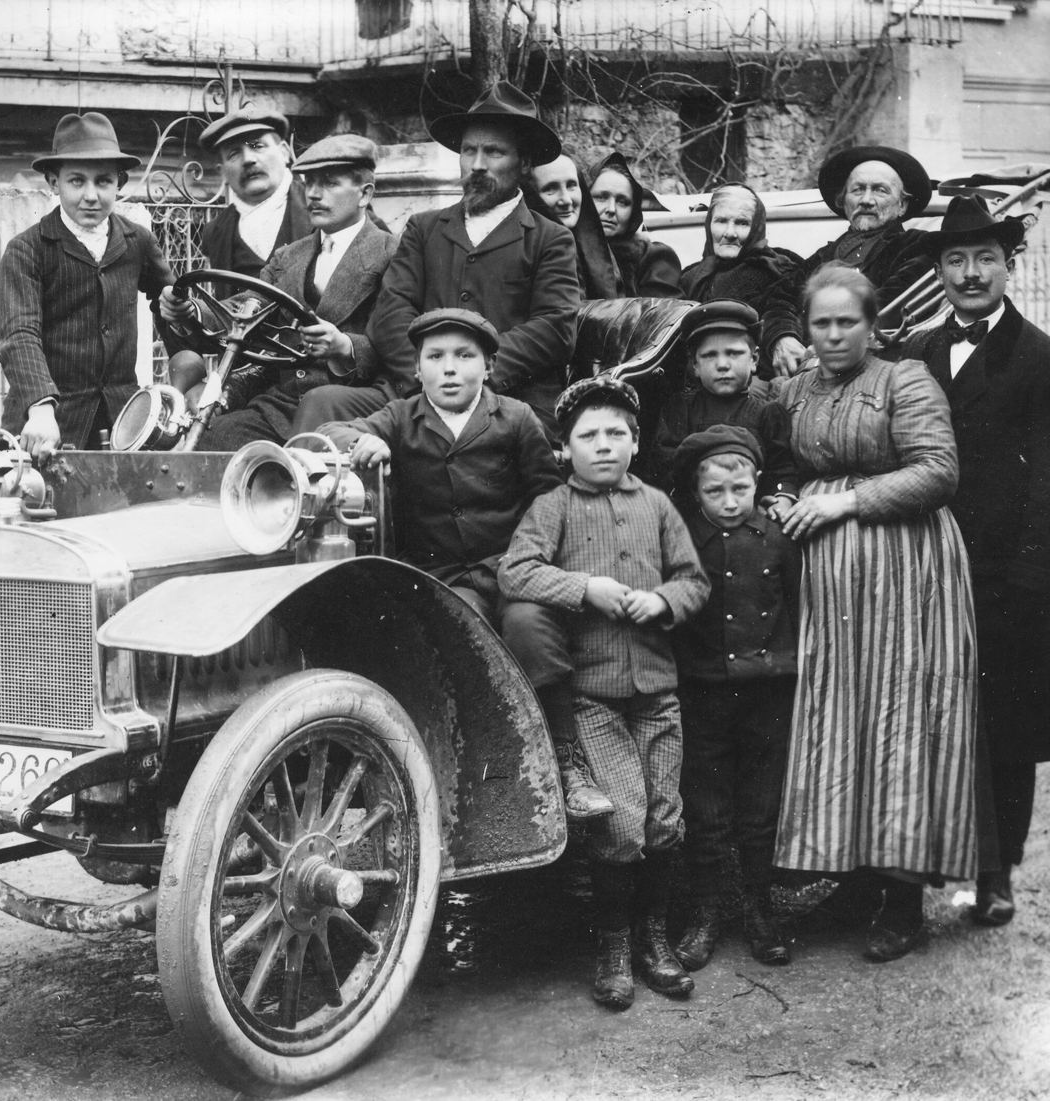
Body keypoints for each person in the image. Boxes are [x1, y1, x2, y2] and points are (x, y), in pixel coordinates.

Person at [771, 264, 979, 963]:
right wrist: (785, 494)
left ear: (871, 322)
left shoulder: (905, 380)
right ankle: (855, 879)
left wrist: (843, 502)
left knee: (899, 718)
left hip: (905, 573)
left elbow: (937, 470)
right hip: (830, 588)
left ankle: (902, 896)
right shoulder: (792, 389)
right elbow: (780, 464)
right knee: (841, 719)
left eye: (847, 321)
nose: (833, 335)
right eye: (821, 323)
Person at [902, 196, 1050, 926]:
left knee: (1005, 729)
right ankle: (919, 864)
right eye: (956, 259)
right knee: (927, 721)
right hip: (924, 572)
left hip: (1005, 579)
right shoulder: (914, 352)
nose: (971, 272)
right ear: (940, 271)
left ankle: (997, 872)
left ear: (1009, 266)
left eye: (985, 258)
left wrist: (1033, 585)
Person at [499, 376, 710, 1010]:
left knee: (665, 818)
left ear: (636, 441)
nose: (603, 445)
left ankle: (654, 941)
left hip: (658, 694)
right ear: (563, 449)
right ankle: (613, 946)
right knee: (620, 823)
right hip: (594, 697)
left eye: (616, 433)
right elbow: (516, 570)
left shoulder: (658, 506)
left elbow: (694, 580)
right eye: (587, 436)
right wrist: (582, 587)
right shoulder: (554, 507)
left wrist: (663, 600)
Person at [319, 309, 589, 802]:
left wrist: (531, 561)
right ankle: (485, 779)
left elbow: (547, 499)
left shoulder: (515, 417)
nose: (449, 369)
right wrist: (365, 439)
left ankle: (568, 762)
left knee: (531, 628)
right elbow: (334, 431)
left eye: (465, 357)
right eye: (435, 357)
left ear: (487, 367)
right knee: (461, 635)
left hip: (512, 567)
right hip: (444, 573)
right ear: (417, 370)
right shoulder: (402, 417)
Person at [307, 81, 580, 435]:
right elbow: (390, 313)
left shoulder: (550, 238)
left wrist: (470, 374)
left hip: (508, 400)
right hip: (414, 391)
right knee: (321, 403)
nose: (477, 165)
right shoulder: (425, 228)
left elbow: (554, 329)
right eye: (468, 152)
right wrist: (427, 376)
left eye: (494, 152)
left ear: (524, 162)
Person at [158, 134, 397, 449]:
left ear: (365, 194)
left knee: (296, 469)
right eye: (309, 183)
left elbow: (398, 349)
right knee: (212, 442)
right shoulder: (289, 256)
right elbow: (247, 306)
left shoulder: (391, 253)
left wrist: (344, 346)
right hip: (284, 404)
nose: (313, 194)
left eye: (329, 184)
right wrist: (192, 311)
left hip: (347, 405)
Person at [667, 426, 800, 971]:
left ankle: (759, 909)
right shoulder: (680, 540)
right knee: (706, 808)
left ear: (757, 483)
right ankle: (705, 913)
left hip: (767, 690)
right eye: (714, 492)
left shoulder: (779, 535)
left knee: (760, 808)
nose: (728, 502)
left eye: (740, 489)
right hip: (702, 690)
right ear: (694, 493)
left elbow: (797, 602)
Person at [0, 112, 175, 457]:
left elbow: (172, 307)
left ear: (119, 183)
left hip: (123, 423)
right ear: (53, 181)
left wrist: (184, 372)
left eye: (103, 181)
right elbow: (18, 335)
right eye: (77, 181)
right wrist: (40, 408)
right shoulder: (27, 250)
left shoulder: (138, 241)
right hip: (46, 425)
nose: (91, 195)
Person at [650, 301, 797, 510]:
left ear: (754, 359)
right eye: (710, 355)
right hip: (694, 514)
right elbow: (665, 468)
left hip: (752, 515)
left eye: (733, 353)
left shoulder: (768, 413)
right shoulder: (680, 409)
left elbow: (782, 469)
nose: (722, 364)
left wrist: (781, 499)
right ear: (695, 366)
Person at [795, 146, 934, 344]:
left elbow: (887, 306)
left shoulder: (915, 246)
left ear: (902, 205)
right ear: (843, 201)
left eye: (880, 190)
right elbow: (783, 299)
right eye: (858, 189)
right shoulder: (823, 255)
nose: (866, 201)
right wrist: (784, 337)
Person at [677, 183, 808, 378]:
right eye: (721, 221)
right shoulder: (690, 278)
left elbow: (780, 307)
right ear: (709, 224)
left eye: (742, 223)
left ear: (756, 227)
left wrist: (782, 336)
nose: (730, 233)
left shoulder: (776, 268)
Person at [193, 106, 312, 282]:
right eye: (234, 154)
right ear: (223, 172)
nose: (248, 159)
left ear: (284, 152)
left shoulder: (324, 204)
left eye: (258, 146)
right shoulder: (215, 233)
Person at [586, 152, 683, 300]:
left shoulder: (650, 257)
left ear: (633, 211)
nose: (611, 209)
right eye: (601, 197)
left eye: (622, 202)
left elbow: (664, 313)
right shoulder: (565, 249)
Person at [526, 153, 623, 299]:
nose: (566, 200)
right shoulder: (526, 254)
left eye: (572, 185)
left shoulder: (598, 249)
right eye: (551, 188)